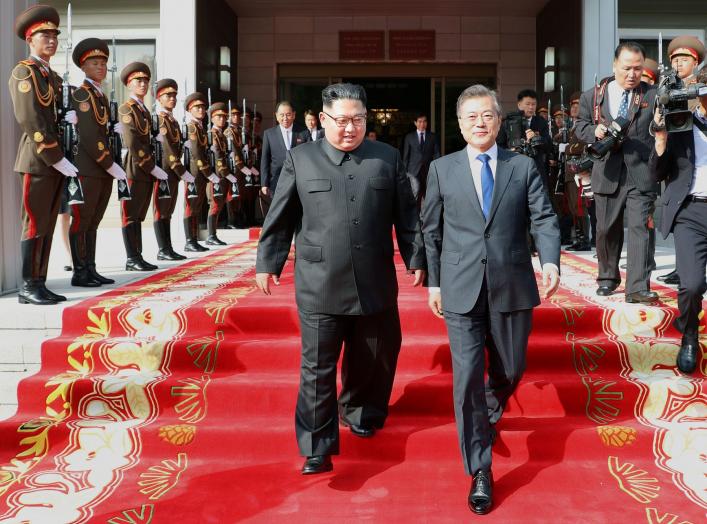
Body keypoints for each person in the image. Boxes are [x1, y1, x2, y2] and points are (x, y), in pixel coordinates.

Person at [255, 83, 426, 476]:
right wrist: (268, 261)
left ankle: (361, 411)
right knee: (317, 367)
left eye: (358, 120)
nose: (350, 128)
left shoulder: (386, 157)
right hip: (319, 281)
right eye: (342, 121)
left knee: (374, 355)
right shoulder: (302, 158)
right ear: (324, 118)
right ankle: (317, 445)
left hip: (374, 279)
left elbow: (407, 214)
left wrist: (417, 256)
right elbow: (279, 217)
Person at [422, 84, 560, 515]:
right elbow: (431, 230)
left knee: (512, 368)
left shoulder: (521, 167)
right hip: (460, 287)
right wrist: (434, 283)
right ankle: (480, 468)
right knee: (466, 380)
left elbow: (543, 215)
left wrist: (551, 260)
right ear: (460, 124)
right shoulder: (442, 169)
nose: (479, 124)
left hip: (512, 282)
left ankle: (485, 416)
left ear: (499, 121)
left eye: (487, 116)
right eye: (471, 117)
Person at [575, 41, 658, 303]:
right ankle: (608, 278)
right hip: (607, 171)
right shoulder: (593, 96)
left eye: (638, 68)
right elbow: (579, 125)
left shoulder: (652, 95)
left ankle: (637, 287)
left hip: (641, 171)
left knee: (639, 229)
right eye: (626, 68)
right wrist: (594, 132)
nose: (632, 74)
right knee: (606, 229)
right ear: (614, 65)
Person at [10, 5, 77, 304]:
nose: (51, 40)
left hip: (56, 160)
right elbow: (30, 119)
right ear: (30, 39)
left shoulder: (53, 77)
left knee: (49, 223)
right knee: (36, 222)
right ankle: (28, 285)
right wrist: (54, 156)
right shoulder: (25, 72)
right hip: (38, 160)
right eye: (44, 35)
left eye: (54, 35)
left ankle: (40, 281)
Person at [650, 67, 707, 374]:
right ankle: (689, 335)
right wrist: (660, 140)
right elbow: (658, 173)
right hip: (692, 211)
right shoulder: (681, 123)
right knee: (692, 284)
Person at [69, 38, 128, 286]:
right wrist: (108, 162)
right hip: (89, 167)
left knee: (94, 220)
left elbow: (101, 129)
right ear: (83, 66)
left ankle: (90, 268)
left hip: (101, 169)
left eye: (103, 62)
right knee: (82, 219)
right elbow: (90, 135)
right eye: (95, 63)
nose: (101, 66)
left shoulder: (100, 95)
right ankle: (79, 271)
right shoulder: (82, 93)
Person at [656, 35, 706, 287]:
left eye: (684, 59)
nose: (678, 64)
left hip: (697, 161)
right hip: (675, 162)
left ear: (695, 62)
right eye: (675, 59)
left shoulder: (700, 89)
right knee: (679, 212)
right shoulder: (665, 88)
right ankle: (683, 267)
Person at [118, 62, 169, 271]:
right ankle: (132, 258)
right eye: (138, 81)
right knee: (130, 213)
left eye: (146, 81)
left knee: (139, 214)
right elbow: (133, 142)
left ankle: (137, 255)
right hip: (134, 167)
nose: (143, 84)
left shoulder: (144, 110)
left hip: (145, 170)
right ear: (129, 84)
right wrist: (151, 166)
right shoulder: (126, 108)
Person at [154, 78, 192, 261]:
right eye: (168, 95)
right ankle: (163, 248)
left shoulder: (173, 121)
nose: (172, 98)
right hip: (164, 171)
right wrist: (181, 170)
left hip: (172, 174)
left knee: (168, 210)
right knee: (161, 210)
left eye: (174, 95)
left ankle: (168, 247)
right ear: (159, 98)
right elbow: (168, 149)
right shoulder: (161, 120)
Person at [182, 92, 212, 252]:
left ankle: (193, 238)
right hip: (193, 172)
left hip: (199, 174)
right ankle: (189, 240)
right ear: (189, 109)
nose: (201, 110)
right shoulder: (192, 127)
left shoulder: (200, 127)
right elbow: (196, 153)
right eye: (197, 107)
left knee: (197, 206)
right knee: (191, 206)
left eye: (203, 107)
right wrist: (208, 172)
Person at [205, 101, 236, 246]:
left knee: (219, 204)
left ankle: (213, 234)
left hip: (221, 176)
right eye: (218, 117)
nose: (222, 119)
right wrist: (225, 173)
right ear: (212, 118)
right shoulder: (212, 134)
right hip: (216, 176)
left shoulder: (221, 134)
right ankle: (211, 235)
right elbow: (217, 155)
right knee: (215, 204)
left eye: (224, 117)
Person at [260, 101, 298, 200]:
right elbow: (265, 160)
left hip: (298, 181)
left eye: (288, 115)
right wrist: (264, 183)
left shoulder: (303, 132)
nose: (285, 118)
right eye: (282, 115)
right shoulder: (269, 134)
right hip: (276, 182)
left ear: (294, 115)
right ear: (277, 116)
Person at [402, 112, 440, 204]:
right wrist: (404, 172)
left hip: (428, 169)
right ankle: (415, 216)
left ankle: (426, 216)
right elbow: (406, 156)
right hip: (413, 170)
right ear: (415, 123)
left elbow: (436, 154)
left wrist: (438, 169)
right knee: (415, 193)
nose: (422, 124)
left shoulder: (432, 136)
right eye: (419, 122)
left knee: (428, 193)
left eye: (424, 121)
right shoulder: (409, 137)